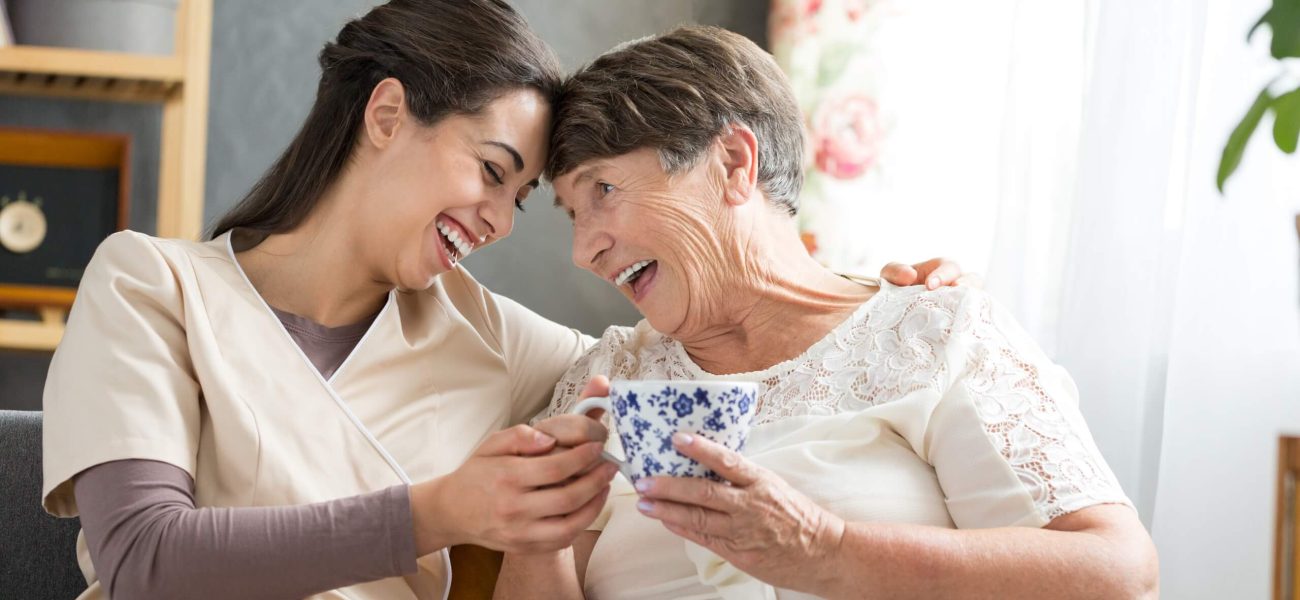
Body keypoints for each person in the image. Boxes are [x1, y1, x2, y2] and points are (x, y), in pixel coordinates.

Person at [39, 3, 955, 599]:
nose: (499, 222)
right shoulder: (151, 284)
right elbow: (143, 560)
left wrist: (872, 302)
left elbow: (698, 351)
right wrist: (437, 513)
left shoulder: (504, 344)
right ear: (387, 114)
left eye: (518, 201)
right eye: (491, 170)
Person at [496, 26, 1159, 600]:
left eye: (604, 191)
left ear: (732, 163)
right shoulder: (608, 377)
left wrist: (825, 549)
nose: (585, 252)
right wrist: (537, 536)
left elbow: (1118, 576)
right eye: (573, 215)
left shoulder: (934, 330)